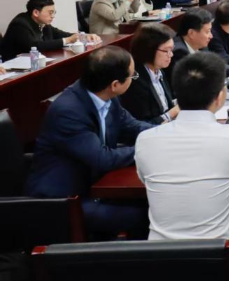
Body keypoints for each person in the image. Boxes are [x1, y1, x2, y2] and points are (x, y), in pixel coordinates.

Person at [135, 53, 229, 244]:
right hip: (221, 256)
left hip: (160, 257)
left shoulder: (145, 140)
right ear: (220, 97)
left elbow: (145, 179)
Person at [26, 46, 154, 236]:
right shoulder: (68, 111)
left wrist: (166, 135)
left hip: (94, 186)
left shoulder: (107, 96)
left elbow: (132, 126)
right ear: (115, 84)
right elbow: (102, 159)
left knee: (155, 201)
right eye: (132, 75)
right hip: (64, 200)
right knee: (146, 214)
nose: (134, 78)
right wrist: (147, 149)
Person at [166, 8, 229, 89]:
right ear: (191, 33)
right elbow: (198, 87)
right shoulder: (179, 52)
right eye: (207, 32)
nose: (211, 36)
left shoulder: (200, 44)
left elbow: (214, 66)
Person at [2, 0, 99, 61]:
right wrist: (67, 40)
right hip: (14, 68)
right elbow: (34, 46)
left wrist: (84, 36)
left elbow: (61, 34)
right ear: (36, 12)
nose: (53, 16)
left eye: (54, 12)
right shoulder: (20, 24)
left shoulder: (42, 23)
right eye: (50, 12)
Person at [119, 24, 179, 125]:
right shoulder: (135, 79)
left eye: (171, 50)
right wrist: (173, 113)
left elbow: (166, 105)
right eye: (166, 50)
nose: (171, 55)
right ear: (149, 49)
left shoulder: (159, 69)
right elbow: (142, 124)